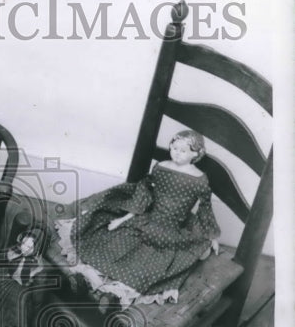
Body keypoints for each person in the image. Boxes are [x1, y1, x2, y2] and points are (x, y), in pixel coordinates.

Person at [56, 130, 220, 309]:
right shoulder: (161, 167)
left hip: (170, 231)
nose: (176, 153)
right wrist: (124, 219)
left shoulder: (199, 180)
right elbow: (145, 193)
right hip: (147, 219)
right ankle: (84, 279)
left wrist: (212, 235)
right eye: (174, 148)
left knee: (149, 265)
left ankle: (114, 296)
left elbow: (205, 207)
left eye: (183, 150)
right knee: (113, 244)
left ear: (196, 153)